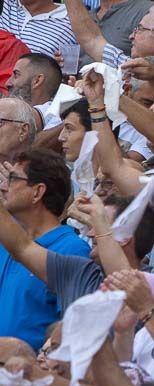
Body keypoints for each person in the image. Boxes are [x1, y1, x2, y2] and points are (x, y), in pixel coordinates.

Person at [0, 149, 88, 348]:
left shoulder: (72, 249)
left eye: (12, 179)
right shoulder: (5, 243)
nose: (3, 186)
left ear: (37, 192)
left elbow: (71, 330)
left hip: (33, 374)